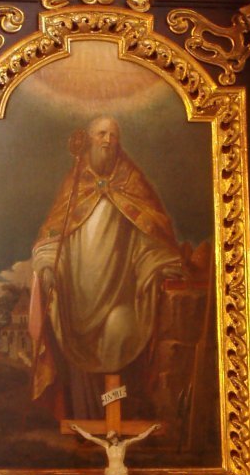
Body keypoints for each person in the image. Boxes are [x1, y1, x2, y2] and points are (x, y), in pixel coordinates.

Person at [29, 115, 185, 417]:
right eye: (101, 133)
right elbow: (52, 238)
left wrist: (160, 263)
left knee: (121, 334)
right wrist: (47, 265)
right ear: (89, 139)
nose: (107, 140)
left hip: (120, 298)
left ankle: (117, 423)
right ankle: (86, 423)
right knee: (78, 367)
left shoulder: (132, 184)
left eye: (113, 135)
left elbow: (149, 238)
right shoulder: (74, 186)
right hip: (77, 302)